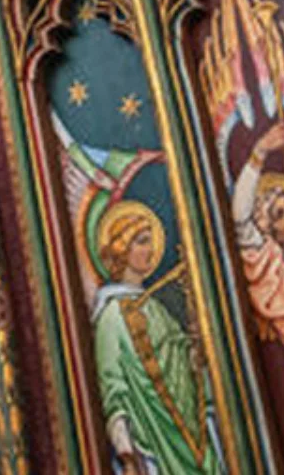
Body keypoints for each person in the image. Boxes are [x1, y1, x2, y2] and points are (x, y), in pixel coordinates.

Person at [89, 201, 220, 475]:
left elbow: (181, 359)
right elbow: (114, 392)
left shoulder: (155, 306)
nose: (150, 250)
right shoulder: (111, 316)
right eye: (142, 242)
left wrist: (195, 354)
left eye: (150, 241)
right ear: (123, 250)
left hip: (191, 428)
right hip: (155, 435)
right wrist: (126, 453)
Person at [231, 121, 284, 465]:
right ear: (270, 231)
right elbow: (241, 220)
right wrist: (259, 153)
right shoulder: (276, 275)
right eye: (279, 214)